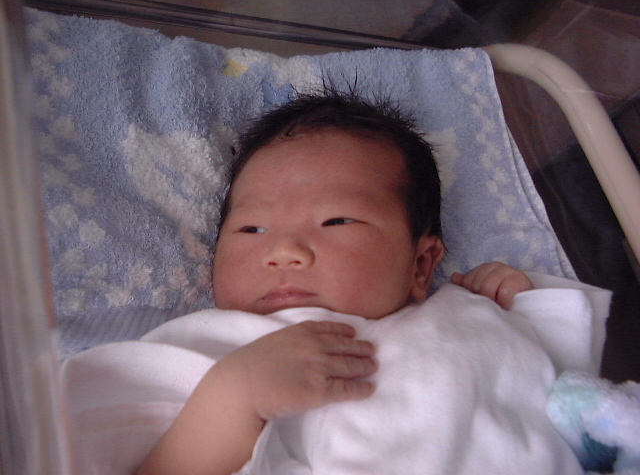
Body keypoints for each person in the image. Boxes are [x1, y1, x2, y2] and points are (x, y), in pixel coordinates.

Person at [64, 89, 609, 475]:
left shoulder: (463, 316)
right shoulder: (216, 347)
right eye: (252, 229)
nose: (283, 251)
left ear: (422, 265)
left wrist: (514, 304)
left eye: (336, 221)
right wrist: (236, 394)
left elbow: (566, 395)